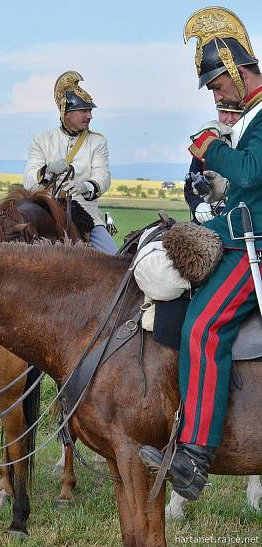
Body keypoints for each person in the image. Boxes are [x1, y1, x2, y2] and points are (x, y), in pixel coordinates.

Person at [140, 6, 262, 501]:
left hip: (254, 252)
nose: (215, 95)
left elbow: (252, 172)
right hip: (238, 242)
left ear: (236, 71)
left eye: (216, 85)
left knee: (205, 326)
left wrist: (210, 147)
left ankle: (195, 457)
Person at [23, 70, 117, 254]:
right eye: (84, 111)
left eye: (90, 110)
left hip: (85, 214)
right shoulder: (41, 140)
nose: (90, 116)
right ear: (66, 113)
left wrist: (85, 186)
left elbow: (102, 175)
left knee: (113, 259)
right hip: (45, 213)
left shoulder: (98, 141)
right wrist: (48, 170)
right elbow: (28, 180)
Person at [184, 101, 243, 224]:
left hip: (245, 219)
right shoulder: (209, 143)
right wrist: (199, 206)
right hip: (209, 219)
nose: (229, 119)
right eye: (224, 112)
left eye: (236, 113)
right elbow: (190, 186)